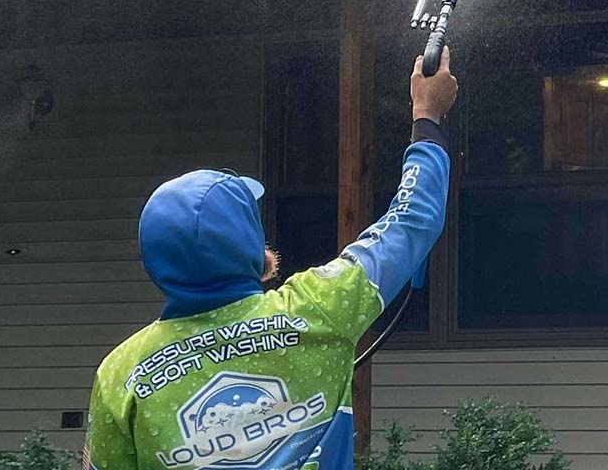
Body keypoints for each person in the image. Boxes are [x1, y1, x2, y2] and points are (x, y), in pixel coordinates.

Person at [84, 51, 460, 470]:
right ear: (246, 243)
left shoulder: (121, 375)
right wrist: (427, 114)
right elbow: (411, 222)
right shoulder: (319, 308)